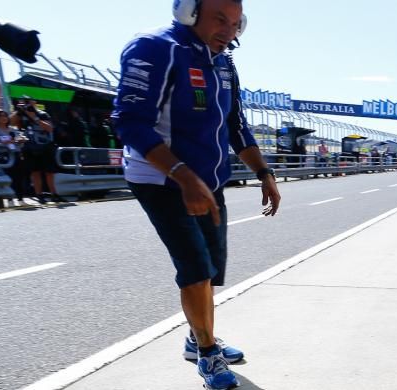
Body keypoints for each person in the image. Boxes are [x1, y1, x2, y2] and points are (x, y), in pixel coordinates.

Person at [112, 0, 280, 388]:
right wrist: (183, 176)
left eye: (237, 23)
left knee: (211, 270)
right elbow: (129, 121)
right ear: (188, 11)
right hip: (161, 179)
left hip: (207, 181)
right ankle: (207, 353)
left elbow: (235, 124)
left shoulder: (224, 62)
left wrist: (264, 172)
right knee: (195, 270)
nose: (229, 30)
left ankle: (196, 336)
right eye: (220, 19)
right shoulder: (154, 48)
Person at [10, 97, 64, 204]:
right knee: (35, 171)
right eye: (25, 102)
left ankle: (54, 194)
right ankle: (39, 195)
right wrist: (19, 111)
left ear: (34, 102)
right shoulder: (21, 114)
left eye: (29, 101)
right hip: (30, 146)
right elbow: (11, 122)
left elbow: (50, 128)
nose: (28, 103)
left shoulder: (42, 114)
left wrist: (34, 117)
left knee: (49, 171)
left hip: (45, 145)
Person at [0, 109, 27, 206]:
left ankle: (21, 199)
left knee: (19, 177)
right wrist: (2, 143)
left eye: (5, 115)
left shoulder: (13, 129)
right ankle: (10, 200)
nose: (4, 118)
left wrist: (21, 140)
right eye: (1, 116)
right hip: (4, 156)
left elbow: (19, 140)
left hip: (16, 154)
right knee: (9, 177)